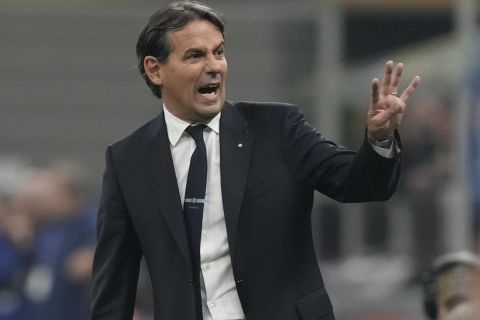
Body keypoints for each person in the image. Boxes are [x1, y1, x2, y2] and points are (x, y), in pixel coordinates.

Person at [90, 2, 421, 319]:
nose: (214, 66)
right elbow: (114, 284)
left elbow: (360, 184)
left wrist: (379, 138)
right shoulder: (127, 160)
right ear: (155, 69)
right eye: (195, 55)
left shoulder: (278, 128)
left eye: (218, 52)